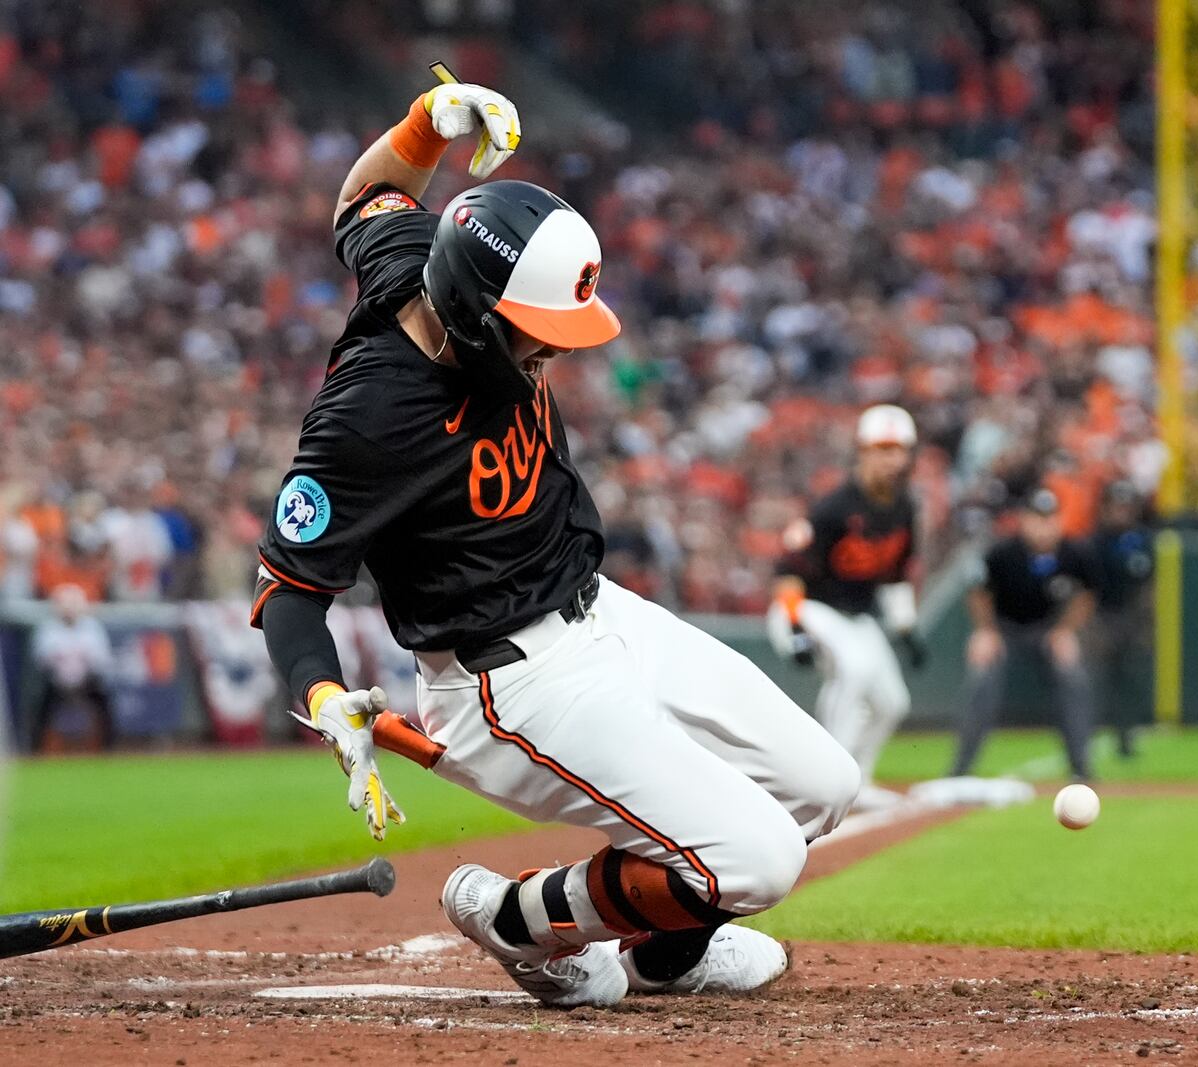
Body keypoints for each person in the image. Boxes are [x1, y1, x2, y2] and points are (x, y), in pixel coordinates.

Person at [250, 78, 858, 1011]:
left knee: (825, 784)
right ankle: (520, 925)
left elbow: (364, 201)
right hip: (505, 679)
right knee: (761, 860)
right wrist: (324, 696)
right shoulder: (370, 417)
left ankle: (667, 958)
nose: (557, 354)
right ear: (471, 306)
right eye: (537, 333)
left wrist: (423, 126)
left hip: (598, 609)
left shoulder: (423, 267)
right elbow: (288, 587)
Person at [768, 405, 924, 810]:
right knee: (853, 670)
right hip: (809, 608)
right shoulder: (834, 507)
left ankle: (860, 780)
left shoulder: (904, 507)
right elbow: (788, 569)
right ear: (863, 451)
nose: (891, 458)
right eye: (881, 448)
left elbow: (897, 573)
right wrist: (795, 625)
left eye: (897, 449)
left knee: (893, 703)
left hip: (856, 616)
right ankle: (826, 781)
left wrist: (906, 628)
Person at [952, 488, 1099, 781]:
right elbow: (978, 593)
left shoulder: (1075, 552)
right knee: (982, 681)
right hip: (1005, 628)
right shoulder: (1003, 552)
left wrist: (1065, 631)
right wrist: (985, 632)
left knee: (1073, 678)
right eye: (1037, 518)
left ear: (1058, 520)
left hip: (1048, 629)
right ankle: (961, 769)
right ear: (1024, 520)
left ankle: (1081, 768)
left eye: (1049, 518)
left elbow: (1086, 596)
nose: (1043, 526)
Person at [1086, 481, 1155, 758]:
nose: (1121, 512)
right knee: (1096, 682)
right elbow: (1086, 588)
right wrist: (1091, 626)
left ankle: (1126, 739)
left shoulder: (1140, 539)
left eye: (1125, 507)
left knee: (1130, 681)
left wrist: (1146, 625)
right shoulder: (1095, 541)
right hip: (1103, 616)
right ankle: (1085, 740)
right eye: (1116, 506)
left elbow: (1149, 587)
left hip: (1131, 616)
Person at [29, 583, 116, 752]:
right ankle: (35, 750)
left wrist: (80, 665)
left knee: (105, 703)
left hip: (86, 680)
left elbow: (101, 659)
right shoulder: (48, 628)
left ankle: (108, 749)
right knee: (40, 707)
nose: (69, 611)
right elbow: (41, 659)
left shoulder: (92, 627)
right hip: (57, 682)